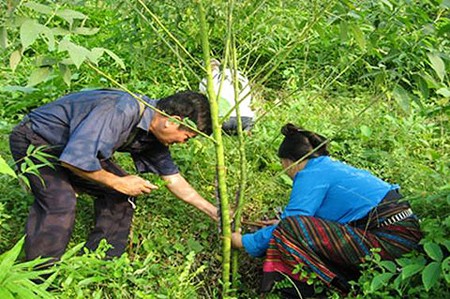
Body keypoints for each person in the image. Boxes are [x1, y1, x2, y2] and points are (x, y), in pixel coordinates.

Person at [9, 89, 219, 261]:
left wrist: (214, 212)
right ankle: (39, 277)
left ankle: (101, 260)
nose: (183, 143)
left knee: (121, 195)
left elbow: (173, 179)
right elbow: (74, 159)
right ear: (172, 121)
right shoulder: (121, 108)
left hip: (75, 150)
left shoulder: (153, 134)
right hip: (37, 142)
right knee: (60, 202)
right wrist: (118, 181)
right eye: (187, 137)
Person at [231, 123, 422, 297]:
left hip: (390, 240)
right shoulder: (330, 167)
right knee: (287, 225)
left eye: (283, 165)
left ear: (289, 161)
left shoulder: (310, 174)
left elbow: (294, 221)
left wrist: (244, 242)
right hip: (405, 234)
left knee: (288, 227)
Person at [199, 59, 254, 134]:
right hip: (245, 119)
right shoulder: (239, 75)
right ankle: (246, 131)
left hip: (222, 121)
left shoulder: (206, 81)